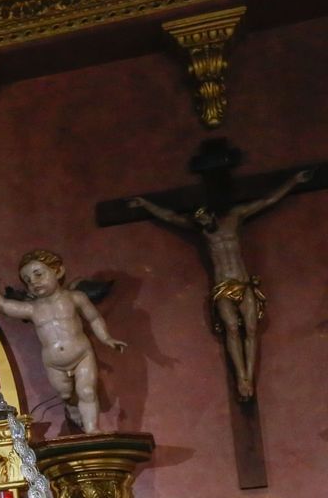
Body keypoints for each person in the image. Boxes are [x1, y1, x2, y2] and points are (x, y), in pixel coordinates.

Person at [129, 169, 311, 401]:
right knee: (232, 330)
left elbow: (267, 200)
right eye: (198, 222)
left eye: (204, 219)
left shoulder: (234, 218)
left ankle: (248, 375)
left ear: (211, 215)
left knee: (252, 329)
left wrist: (293, 181)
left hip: (243, 283)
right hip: (223, 286)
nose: (202, 224)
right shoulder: (202, 231)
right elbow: (169, 217)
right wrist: (146, 205)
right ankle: (241, 378)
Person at [0, 249, 126, 434]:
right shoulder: (32, 308)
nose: (34, 282)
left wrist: (106, 338)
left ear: (58, 271)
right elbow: (4, 306)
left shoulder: (75, 297)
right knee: (65, 393)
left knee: (86, 391)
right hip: (54, 363)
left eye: (39, 274)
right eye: (28, 280)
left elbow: (94, 318)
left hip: (82, 355)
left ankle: (92, 429)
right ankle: (71, 406)